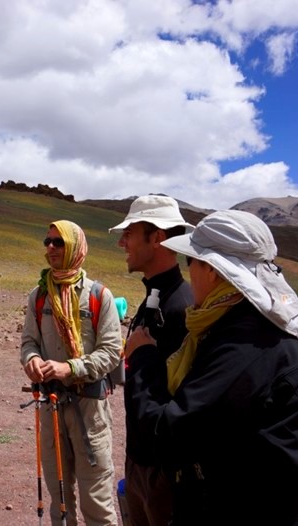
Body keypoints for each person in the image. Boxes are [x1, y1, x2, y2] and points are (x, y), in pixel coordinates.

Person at [125, 210, 298, 526]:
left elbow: (168, 436)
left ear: (214, 270)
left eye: (192, 260)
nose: (188, 270)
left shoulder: (248, 347)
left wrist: (142, 359)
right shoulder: (252, 330)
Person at [21, 220, 123, 526]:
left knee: (97, 503)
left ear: (75, 248)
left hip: (90, 410)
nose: (50, 248)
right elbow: (28, 342)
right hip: (50, 408)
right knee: (60, 501)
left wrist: (71, 367)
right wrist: (32, 360)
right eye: (47, 241)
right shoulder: (38, 296)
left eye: (58, 242)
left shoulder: (99, 296)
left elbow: (110, 352)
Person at [108, 195, 193, 526]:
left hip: (164, 475)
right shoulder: (152, 301)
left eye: (129, 233)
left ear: (157, 237)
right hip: (140, 464)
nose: (121, 242)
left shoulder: (182, 308)